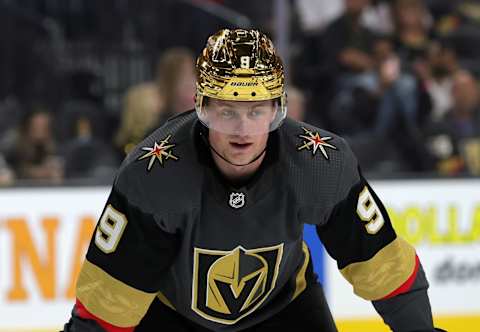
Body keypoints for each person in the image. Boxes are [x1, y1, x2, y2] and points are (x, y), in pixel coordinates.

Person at [63, 29, 445, 332]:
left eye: (256, 110)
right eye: (227, 111)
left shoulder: (321, 164)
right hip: (170, 316)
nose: (242, 130)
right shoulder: (153, 175)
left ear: (278, 109)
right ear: (202, 107)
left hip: (287, 308)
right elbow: (106, 308)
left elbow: (382, 267)